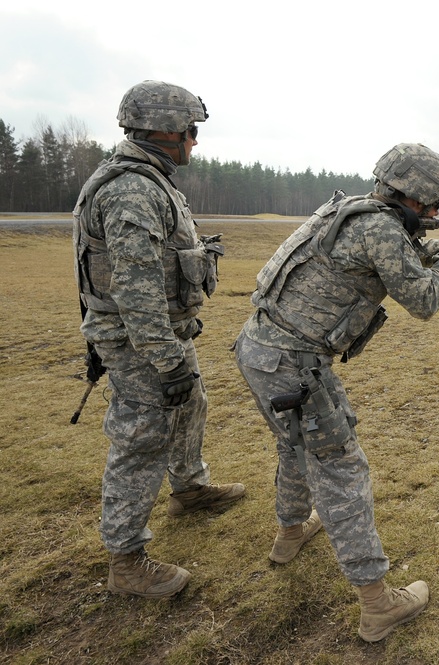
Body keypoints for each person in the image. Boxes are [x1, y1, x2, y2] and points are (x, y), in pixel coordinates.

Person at [233, 143, 439, 642]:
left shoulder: (347, 209)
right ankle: (378, 604)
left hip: (259, 350)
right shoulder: (381, 227)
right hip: (295, 367)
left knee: (294, 446)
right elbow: (425, 299)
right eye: (432, 208)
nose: (433, 215)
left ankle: (290, 533)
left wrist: (435, 248)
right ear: (420, 200)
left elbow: (388, 259)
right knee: (342, 469)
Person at [72, 80, 245, 599]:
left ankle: (189, 488)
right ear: (164, 132)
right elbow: (136, 288)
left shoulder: (152, 179)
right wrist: (167, 361)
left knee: (191, 405)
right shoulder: (132, 189)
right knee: (143, 437)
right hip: (140, 339)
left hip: (161, 334)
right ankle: (125, 559)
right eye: (191, 131)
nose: (196, 141)